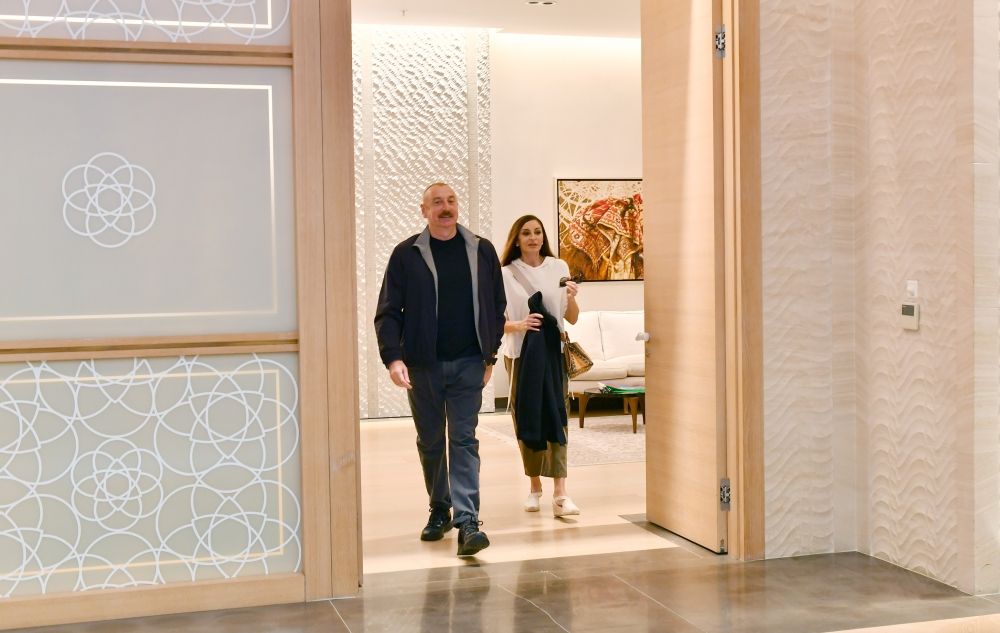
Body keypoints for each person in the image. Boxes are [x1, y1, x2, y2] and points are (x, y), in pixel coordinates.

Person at [374, 182, 506, 557]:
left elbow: (496, 307)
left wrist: (490, 355)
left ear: (457, 207)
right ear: (424, 210)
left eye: (450, 201)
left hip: (468, 363)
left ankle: (467, 521)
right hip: (423, 366)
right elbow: (387, 312)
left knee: (463, 439)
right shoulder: (406, 255)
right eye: (437, 203)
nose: (445, 208)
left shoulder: (481, 250)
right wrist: (394, 358)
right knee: (431, 441)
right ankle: (439, 507)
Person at [499, 214, 581, 517]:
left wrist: (571, 297)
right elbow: (494, 322)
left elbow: (570, 317)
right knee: (527, 416)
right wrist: (519, 324)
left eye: (537, 232)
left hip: (553, 352)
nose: (533, 238)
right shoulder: (505, 273)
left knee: (557, 414)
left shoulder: (558, 267)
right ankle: (534, 487)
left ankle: (561, 492)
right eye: (526, 233)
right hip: (520, 353)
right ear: (516, 239)